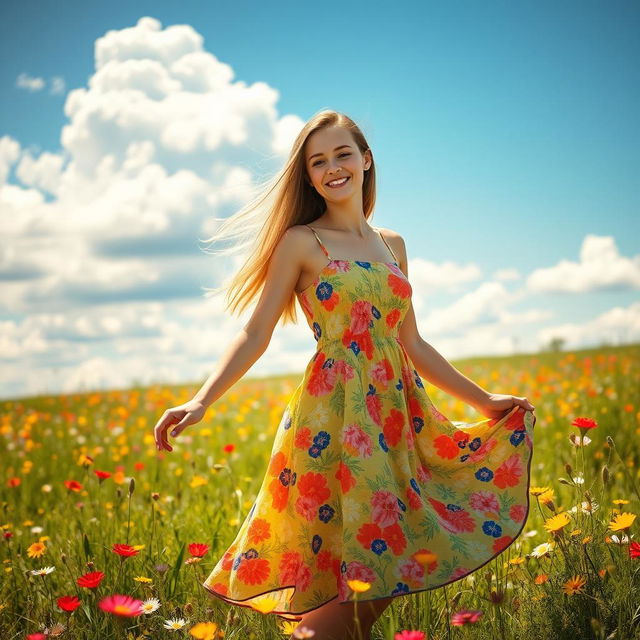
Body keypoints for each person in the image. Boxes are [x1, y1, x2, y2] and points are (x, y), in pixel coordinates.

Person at [153, 110, 536, 640]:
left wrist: (483, 400)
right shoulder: (301, 242)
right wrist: (201, 401)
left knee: (390, 559)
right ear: (308, 177)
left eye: (342, 154)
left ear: (365, 160)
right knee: (369, 566)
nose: (332, 168)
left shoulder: (393, 244)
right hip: (338, 418)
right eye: (318, 162)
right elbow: (255, 332)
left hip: (400, 416)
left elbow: (412, 342)